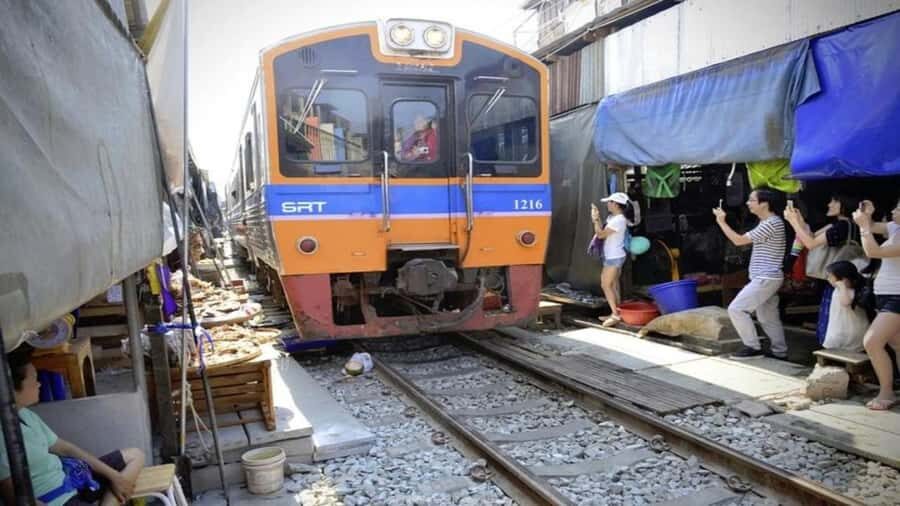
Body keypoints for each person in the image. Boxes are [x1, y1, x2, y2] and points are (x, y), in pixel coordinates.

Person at [0, 345, 145, 506]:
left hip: (73, 480)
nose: (39, 384)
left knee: (135, 455)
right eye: (34, 379)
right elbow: (16, 500)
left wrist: (114, 477)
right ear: (11, 390)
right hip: (56, 501)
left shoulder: (25, 415)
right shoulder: (2, 438)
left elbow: (66, 449)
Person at [713, 187, 788, 359]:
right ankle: (780, 352)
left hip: (765, 277)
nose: (748, 203)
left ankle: (753, 347)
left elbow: (739, 241)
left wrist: (721, 222)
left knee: (736, 309)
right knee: (767, 317)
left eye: (752, 200)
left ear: (764, 204)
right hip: (767, 277)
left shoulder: (771, 223)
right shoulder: (769, 222)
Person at [784, 195, 857, 344]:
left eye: (834, 201)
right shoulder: (840, 225)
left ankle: (835, 345)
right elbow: (810, 236)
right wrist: (799, 221)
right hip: (840, 278)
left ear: (844, 205)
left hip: (839, 280)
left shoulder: (842, 226)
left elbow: (810, 243)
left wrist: (793, 223)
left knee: (836, 314)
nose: (829, 204)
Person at [853, 199, 900, 411]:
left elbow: (873, 251)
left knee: (872, 342)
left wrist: (864, 226)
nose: (893, 210)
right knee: (897, 345)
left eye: (898, 208)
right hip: (885, 294)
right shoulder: (894, 228)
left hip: (897, 297)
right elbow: (872, 226)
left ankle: (886, 392)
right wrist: (867, 215)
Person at [591, 192, 634, 327]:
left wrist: (595, 220)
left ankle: (615, 315)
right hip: (614, 255)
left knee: (606, 285)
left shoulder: (618, 220)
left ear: (616, 204)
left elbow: (601, 235)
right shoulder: (613, 218)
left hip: (614, 256)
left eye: (610, 202)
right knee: (613, 285)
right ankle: (616, 312)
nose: (608, 204)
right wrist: (598, 219)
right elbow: (603, 232)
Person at [821, 261, 871, 352]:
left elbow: (846, 302)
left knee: (835, 352)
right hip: (844, 329)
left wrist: (842, 286)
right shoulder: (840, 289)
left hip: (846, 332)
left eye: (830, 277)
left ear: (843, 279)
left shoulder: (849, 291)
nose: (828, 279)